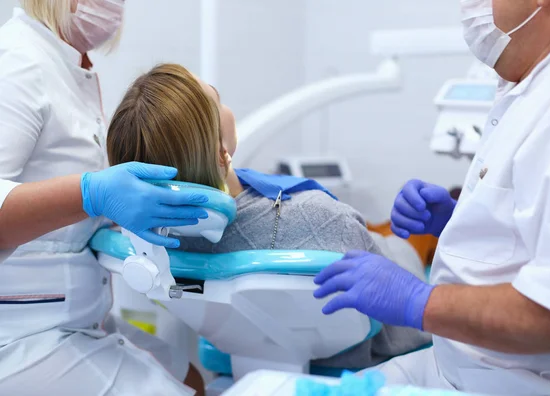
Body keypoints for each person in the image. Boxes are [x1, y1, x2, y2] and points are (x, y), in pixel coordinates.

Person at [313, 0, 550, 395]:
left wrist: (420, 301)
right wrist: (462, 222)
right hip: (453, 365)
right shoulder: (540, 86)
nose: (472, 8)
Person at [105, 63, 432, 371]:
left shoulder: (146, 241)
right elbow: (398, 320)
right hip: (370, 310)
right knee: (407, 240)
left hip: (243, 340)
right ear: (222, 152)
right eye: (216, 99)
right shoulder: (320, 218)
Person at [0, 2, 208, 395]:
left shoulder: (70, 66)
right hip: (21, 336)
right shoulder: (17, 62)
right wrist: (91, 194)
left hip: (81, 316)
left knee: (192, 380)